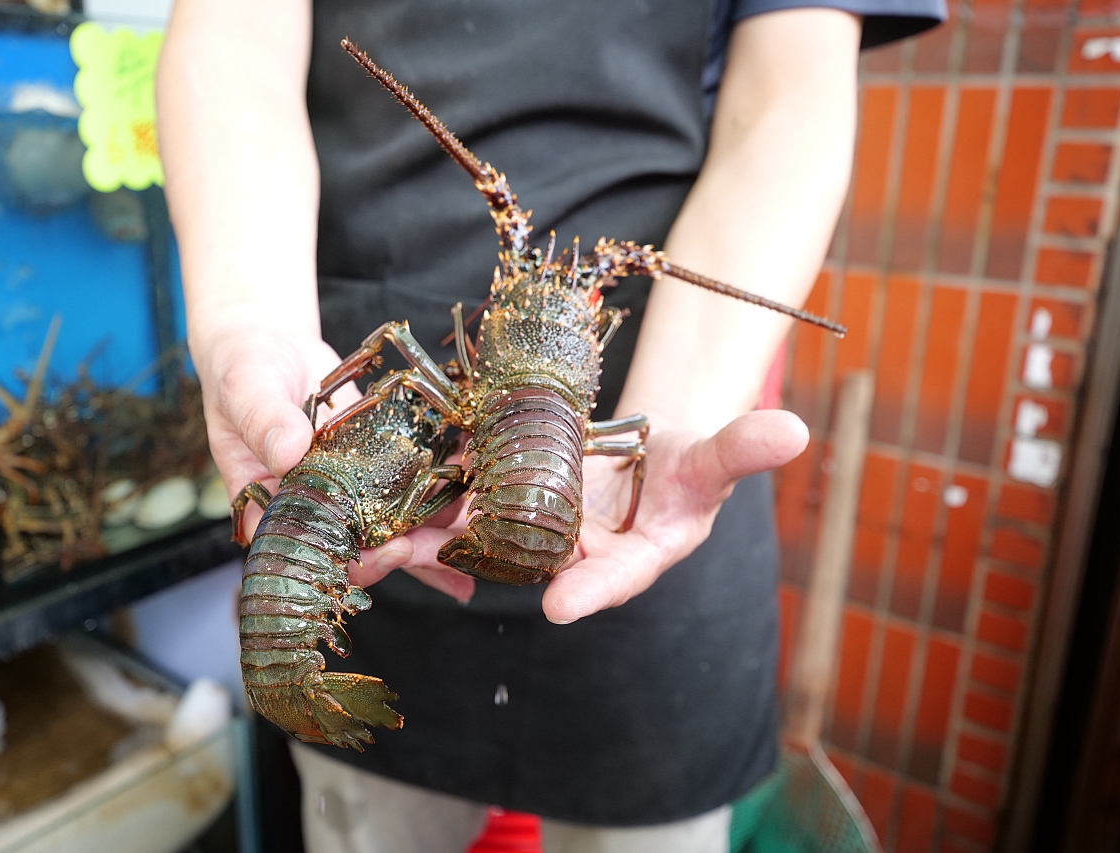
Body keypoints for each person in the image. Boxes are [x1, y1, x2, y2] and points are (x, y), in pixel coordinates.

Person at [156, 0, 942, 850]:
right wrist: (249, 317)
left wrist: (682, 406)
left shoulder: (470, 340)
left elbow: (794, 99)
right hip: (434, 506)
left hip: (621, 498)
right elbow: (234, 34)